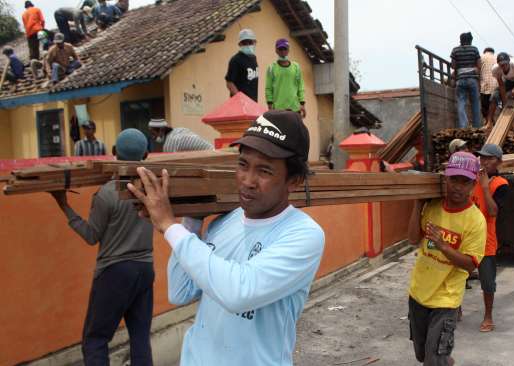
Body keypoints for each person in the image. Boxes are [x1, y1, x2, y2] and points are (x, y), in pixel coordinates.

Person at [127, 111, 325, 365]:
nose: (247, 181)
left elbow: (238, 292)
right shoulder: (224, 223)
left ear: (294, 181)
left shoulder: (302, 235)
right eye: (243, 165)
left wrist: (168, 225)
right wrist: (191, 222)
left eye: (264, 171)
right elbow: (180, 292)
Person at [50, 129, 154, 365]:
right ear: (146, 154)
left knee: (95, 339)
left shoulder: (107, 194)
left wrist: (63, 205)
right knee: (139, 337)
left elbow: (91, 236)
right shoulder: (153, 187)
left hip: (114, 272)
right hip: (145, 269)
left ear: (114, 153)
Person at [407, 151, 486, 366]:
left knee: (433, 361)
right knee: (423, 355)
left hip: (446, 299)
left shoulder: (475, 221)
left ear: (473, 184)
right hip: (418, 293)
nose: (458, 186)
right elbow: (413, 238)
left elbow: (471, 264)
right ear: (446, 179)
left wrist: (442, 245)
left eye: (465, 182)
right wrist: (417, 204)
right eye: (454, 180)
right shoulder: (432, 206)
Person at [471, 143, 509, 333]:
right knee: (457, 276)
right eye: (482, 157)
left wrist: (485, 187)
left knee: (487, 281)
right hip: (465, 238)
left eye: (489, 158)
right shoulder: (471, 179)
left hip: (486, 240)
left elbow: (493, 212)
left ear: (499, 162)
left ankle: (488, 316)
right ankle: (456, 309)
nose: (484, 161)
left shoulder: (500, 184)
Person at [265, 38, 306, 118]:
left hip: (295, 109)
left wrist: (302, 104)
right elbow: (268, 88)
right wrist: (270, 106)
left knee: (295, 130)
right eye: (280, 49)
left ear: (288, 50)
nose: (283, 52)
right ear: (276, 50)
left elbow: (300, 86)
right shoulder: (271, 68)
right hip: (278, 110)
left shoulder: (296, 67)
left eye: (285, 49)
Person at [449, 32, 481, 128]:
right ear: (470, 41)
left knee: (461, 103)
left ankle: (463, 126)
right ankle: (476, 126)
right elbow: (479, 65)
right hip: (472, 79)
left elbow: (453, 66)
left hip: (460, 80)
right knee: (475, 103)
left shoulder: (455, 50)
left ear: (461, 40)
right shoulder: (474, 49)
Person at [226, 29, 259, 101]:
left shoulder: (254, 58)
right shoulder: (235, 60)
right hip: (240, 105)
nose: (247, 45)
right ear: (240, 44)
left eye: (250, 42)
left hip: (253, 103)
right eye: (244, 42)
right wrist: (240, 100)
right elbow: (229, 83)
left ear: (255, 42)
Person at [147, 118, 212, 153]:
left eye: (153, 133)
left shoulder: (169, 144)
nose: (153, 137)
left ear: (161, 130)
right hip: (212, 150)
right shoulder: (179, 130)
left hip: (209, 155)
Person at [480, 47, 498, 124]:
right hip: (496, 84)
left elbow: (477, 70)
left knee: (484, 105)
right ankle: (490, 121)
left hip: (484, 85)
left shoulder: (481, 57)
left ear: (485, 51)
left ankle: (488, 121)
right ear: (493, 52)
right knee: (493, 103)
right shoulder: (497, 58)